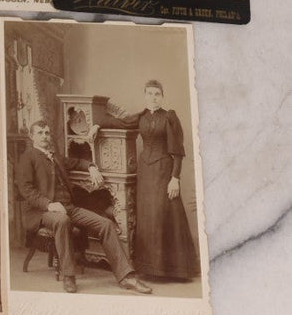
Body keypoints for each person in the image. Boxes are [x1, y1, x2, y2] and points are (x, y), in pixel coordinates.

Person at [15, 119, 153, 294]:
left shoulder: (54, 155)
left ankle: (126, 277)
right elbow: (26, 190)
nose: (45, 136)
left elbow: (74, 162)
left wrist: (91, 166)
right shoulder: (27, 157)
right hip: (42, 212)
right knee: (62, 221)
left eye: (47, 132)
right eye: (40, 133)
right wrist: (49, 205)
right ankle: (68, 276)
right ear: (32, 136)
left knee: (106, 224)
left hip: (68, 207)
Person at [95, 82, 200, 281]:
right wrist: (97, 124)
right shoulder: (141, 116)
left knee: (163, 215)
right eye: (150, 93)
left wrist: (175, 179)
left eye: (157, 94)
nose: (153, 97)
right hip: (145, 172)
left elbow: (177, 152)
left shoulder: (169, 117)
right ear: (145, 96)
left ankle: (172, 270)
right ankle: (149, 268)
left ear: (162, 96)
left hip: (163, 171)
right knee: (148, 217)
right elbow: (120, 123)